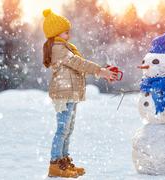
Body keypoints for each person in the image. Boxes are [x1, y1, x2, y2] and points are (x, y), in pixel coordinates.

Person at [42, 9, 117, 178]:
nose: (68, 31)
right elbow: (78, 63)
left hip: (70, 94)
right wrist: (100, 71)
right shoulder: (58, 49)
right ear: (55, 31)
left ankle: (63, 161)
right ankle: (55, 164)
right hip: (63, 95)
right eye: (64, 29)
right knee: (62, 129)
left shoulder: (64, 47)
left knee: (68, 129)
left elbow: (77, 64)